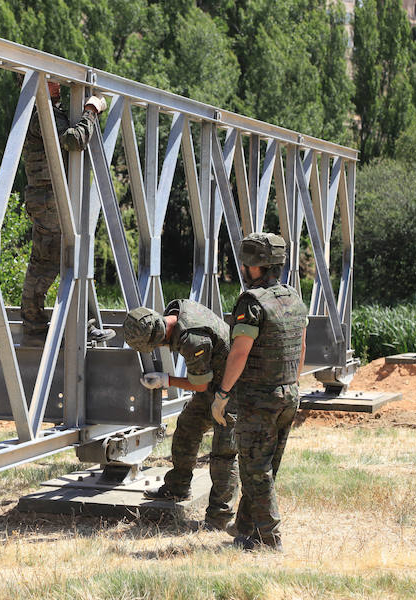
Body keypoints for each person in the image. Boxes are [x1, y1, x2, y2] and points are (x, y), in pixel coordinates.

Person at [211, 232, 308, 551]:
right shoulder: (292, 297)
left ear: (253, 266)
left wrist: (222, 395)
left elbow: (239, 352)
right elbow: (301, 346)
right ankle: (244, 527)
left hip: (260, 400)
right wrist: (291, 384)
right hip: (289, 394)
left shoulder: (251, 302)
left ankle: (270, 539)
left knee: (255, 469)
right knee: (266, 466)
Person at [123, 300, 238, 532]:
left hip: (233, 388)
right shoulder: (176, 311)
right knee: (187, 426)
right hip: (217, 380)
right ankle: (177, 487)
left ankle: (220, 516)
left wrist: (166, 381)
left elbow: (200, 385)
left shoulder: (192, 338)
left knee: (224, 451)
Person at [21, 81, 113, 347]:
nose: (57, 84)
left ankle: (41, 326)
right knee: (61, 261)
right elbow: (74, 140)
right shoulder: (42, 112)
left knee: (50, 262)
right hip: (51, 200)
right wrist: (91, 110)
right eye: (49, 80)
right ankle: (71, 327)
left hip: (50, 199)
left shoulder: (45, 110)